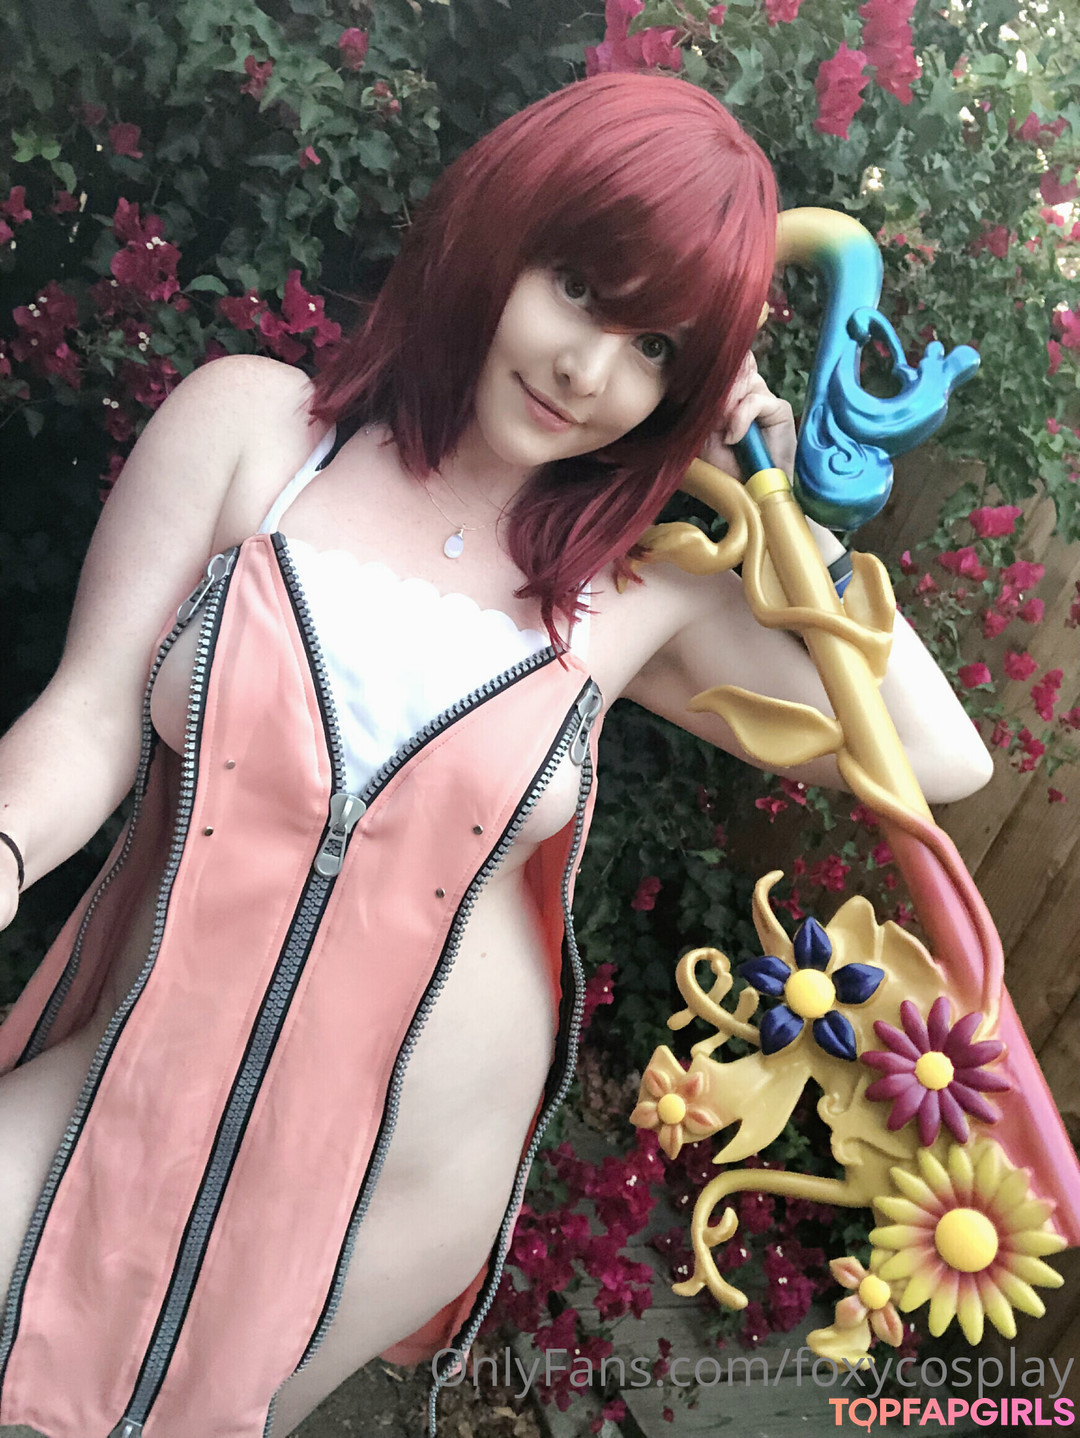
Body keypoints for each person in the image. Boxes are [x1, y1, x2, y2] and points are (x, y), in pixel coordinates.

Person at [0, 72, 991, 1438]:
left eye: (656, 348)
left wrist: (773, 491)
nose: (589, 371)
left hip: (397, 1185)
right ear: (499, 229)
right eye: (579, 287)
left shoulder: (639, 591)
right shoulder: (255, 433)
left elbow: (937, 754)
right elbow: (90, 719)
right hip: (151, 1061)